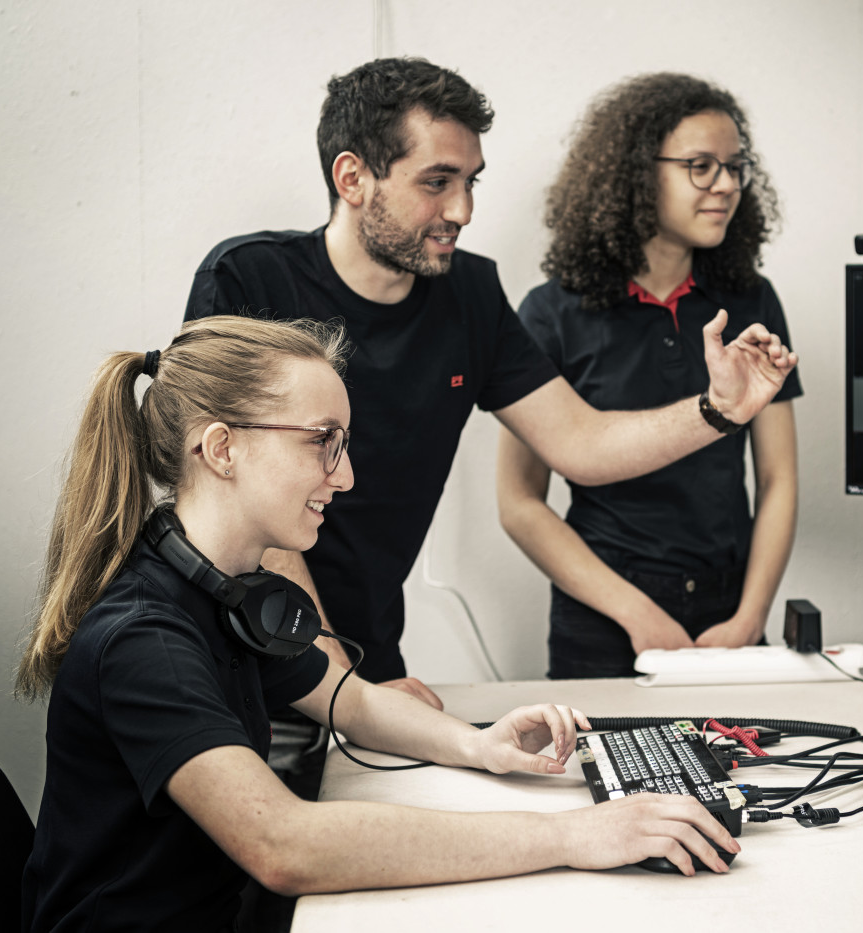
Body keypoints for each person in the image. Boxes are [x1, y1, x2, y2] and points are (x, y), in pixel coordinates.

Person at [16, 317, 740, 932]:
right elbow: (283, 842)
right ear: (221, 447)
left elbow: (353, 702)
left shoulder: (232, 593)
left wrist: (477, 745)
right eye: (321, 441)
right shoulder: (145, 637)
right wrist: (573, 835)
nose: (346, 474)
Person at [184, 58, 796, 706]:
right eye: (438, 181)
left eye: (471, 181)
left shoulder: (470, 294)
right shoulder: (248, 279)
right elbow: (240, 495)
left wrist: (717, 409)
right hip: (239, 654)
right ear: (353, 176)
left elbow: (581, 443)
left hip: (368, 661)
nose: (464, 209)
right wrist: (336, 682)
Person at [495, 73, 799, 679]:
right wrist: (634, 612)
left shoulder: (750, 300)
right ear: (636, 174)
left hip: (729, 610)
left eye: (735, 167)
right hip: (604, 615)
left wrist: (748, 619)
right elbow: (519, 503)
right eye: (700, 166)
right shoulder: (552, 313)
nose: (726, 185)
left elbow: (779, 478)